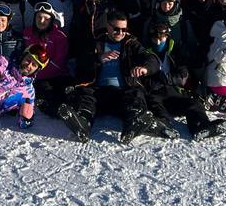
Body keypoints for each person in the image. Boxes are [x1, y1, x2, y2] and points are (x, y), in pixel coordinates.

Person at [57, 10, 164, 143]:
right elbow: (81, 61)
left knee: (135, 95)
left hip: (123, 91)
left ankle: (133, 124)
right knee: (85, 95)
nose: (120, 33)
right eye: (116, 29)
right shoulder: (97, 42)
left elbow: (151, 59)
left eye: (124, 29)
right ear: (108, 26)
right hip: (98, 91)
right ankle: (82, 122)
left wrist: (145, 68)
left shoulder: (131, 44)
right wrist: (98, 58)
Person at [135, 22, 225, 141]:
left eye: (161, 38)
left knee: (193, 104)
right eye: (154, 38)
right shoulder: (144, 53)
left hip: (173, 92)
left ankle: (201, 126)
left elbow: (182, 76)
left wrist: (164, 77)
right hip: (154, 92)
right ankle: (163, 126)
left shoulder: (175, 53)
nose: (158, 42)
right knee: (155, 107)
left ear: (167, 37)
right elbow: (143, 77)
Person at [23, 2, 70, 114]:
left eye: (46, 19)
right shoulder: (27, 33)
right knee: (44, 90)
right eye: (39, 17)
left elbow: (59, 61)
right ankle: (53, 110)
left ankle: (70, 110)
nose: (41, 21)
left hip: (57, 74)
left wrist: (37, 73)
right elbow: (23, 55)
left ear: (51, 20)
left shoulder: (59, 36)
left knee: (63, 89)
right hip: (37, 77)